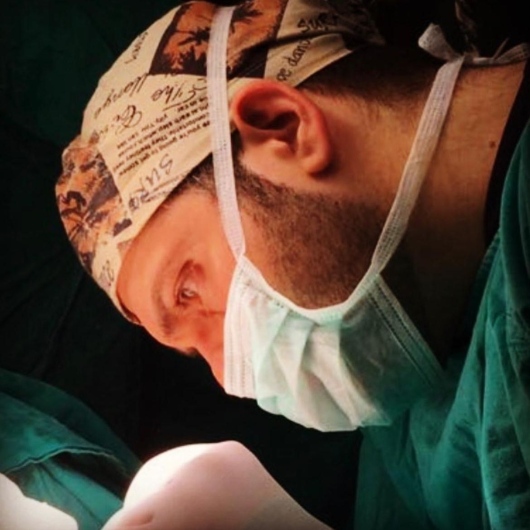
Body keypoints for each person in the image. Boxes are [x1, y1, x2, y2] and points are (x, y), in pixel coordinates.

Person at [54, 0, 530, 528]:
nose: (229, 378)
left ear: (283, 127)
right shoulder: (423, 380)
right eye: (193, 352)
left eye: (188, 291)